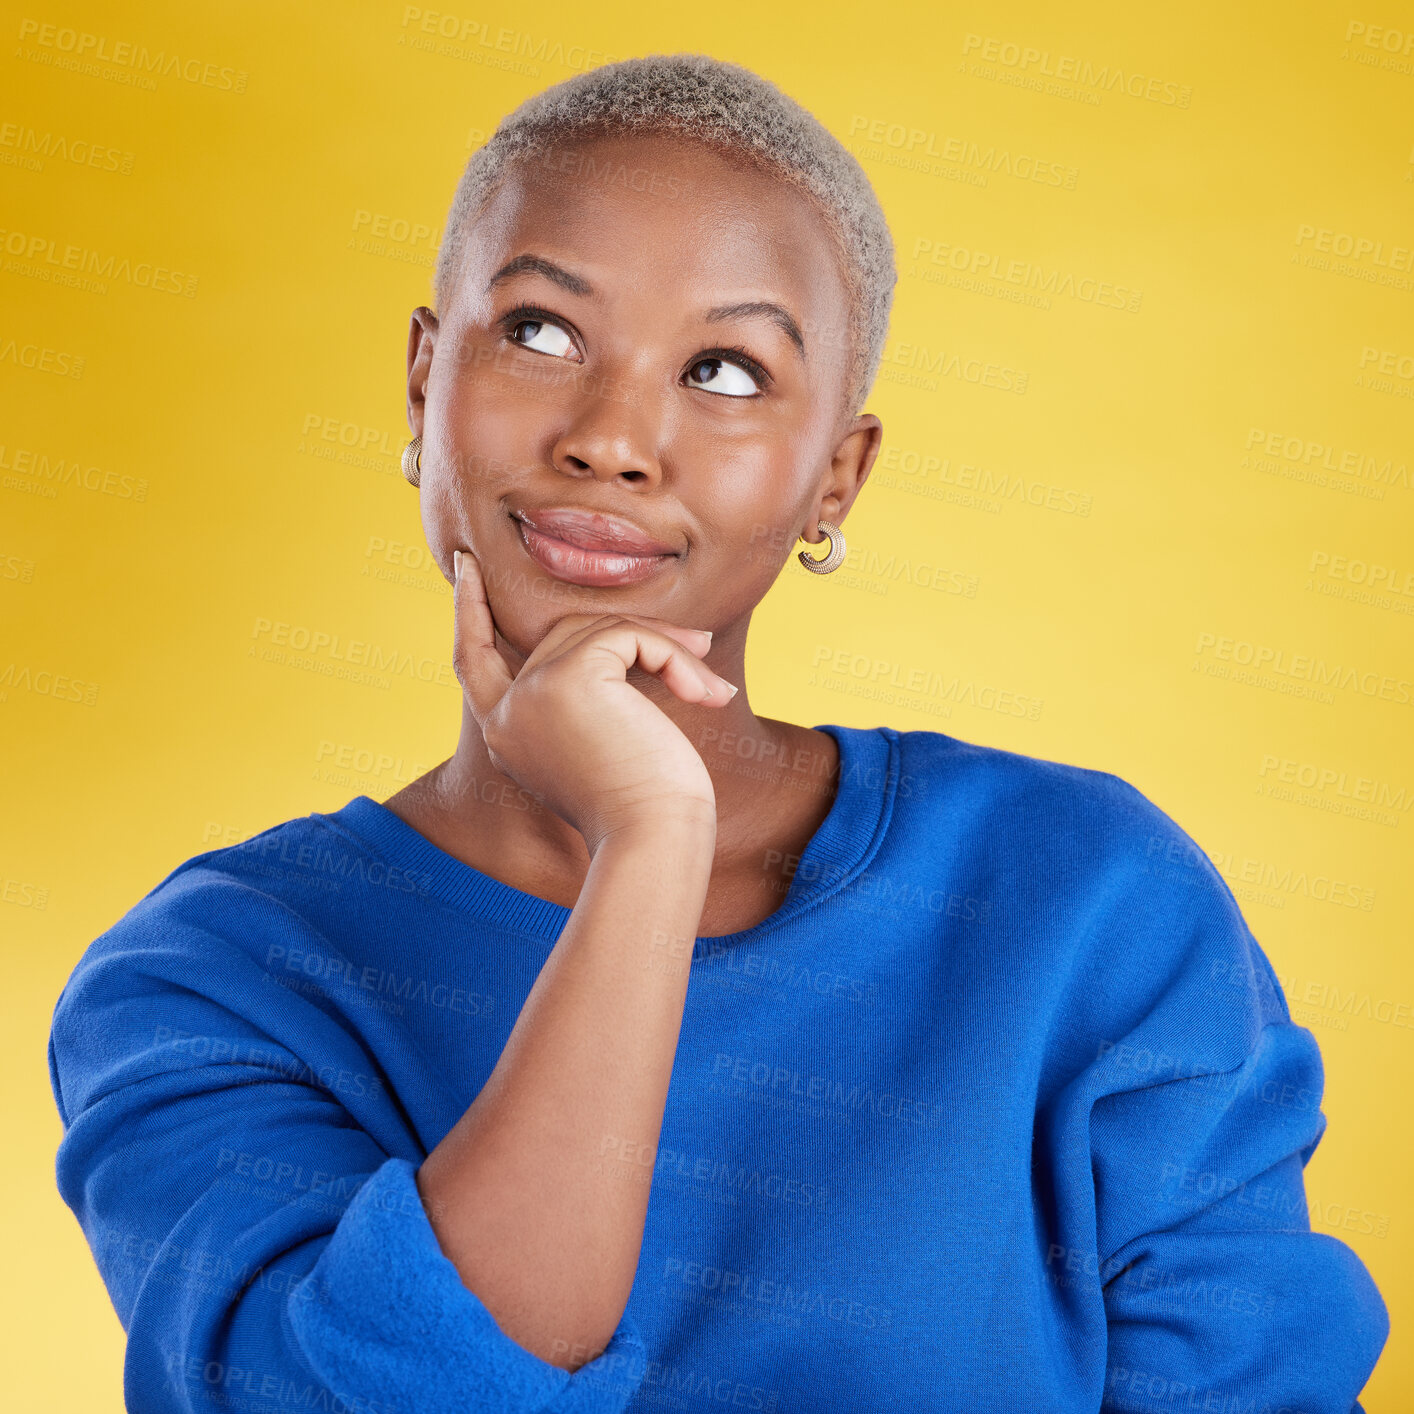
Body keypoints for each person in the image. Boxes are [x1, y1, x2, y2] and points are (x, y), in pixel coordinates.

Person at [48, 52, 1387, 1414]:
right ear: (419, 379)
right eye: (541, 333)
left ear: (832, 479)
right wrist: (648, 840)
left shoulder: (1083, 894)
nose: (613, 438)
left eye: (726, 369)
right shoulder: (211, 980)